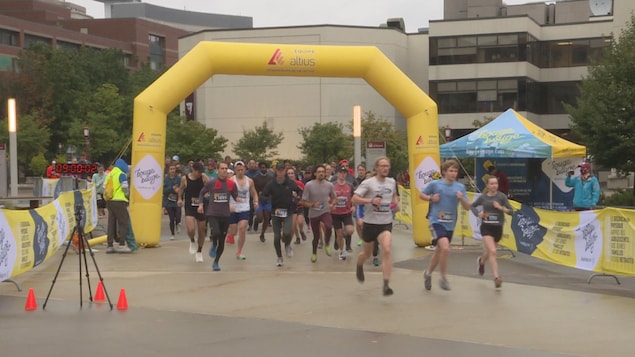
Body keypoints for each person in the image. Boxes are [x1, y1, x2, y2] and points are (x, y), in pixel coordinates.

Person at [419, 159, 471, 291]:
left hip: (450, 223)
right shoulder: (436, 184)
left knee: (439, 250)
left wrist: (462, 198)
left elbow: (467, 207)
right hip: (436, 221)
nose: (453, 173)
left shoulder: (460, 187)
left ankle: (428, 273)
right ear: (444, 172)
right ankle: (443, 278)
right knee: (445, 248)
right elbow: (421, 195)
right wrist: (431, 198)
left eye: (455, 171)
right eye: (451, 171)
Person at [352, 156, 400, 296]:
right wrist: (370, 200)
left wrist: (396, 203)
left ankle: (386, 284)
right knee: (366, 254)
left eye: (387, 166)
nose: (385, 169)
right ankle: (359, 264)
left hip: (385, 223)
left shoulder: (392, 182)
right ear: (376, 168)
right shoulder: (368, 183)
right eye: (383, 166)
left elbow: (395, 196)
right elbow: (354, 198)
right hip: (370, 224)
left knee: (386, 249)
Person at [470, 175, 513, 288]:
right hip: (486, 227)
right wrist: (478, 214)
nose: (494, 186)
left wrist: (501, 208)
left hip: (498, 227)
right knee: (493, 251)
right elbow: (472, 206)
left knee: (489, 252)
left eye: (496, 184)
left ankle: (481, 261)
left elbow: (511, 211)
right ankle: (496, 278)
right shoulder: (483, 197)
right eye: (492, 184)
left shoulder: (502, 197)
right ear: (487, 185)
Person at [197, 162, 239, 271]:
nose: (224, 170)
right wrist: (201, 204)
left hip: (225, 214)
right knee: (216, 232)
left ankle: (216, 262)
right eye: (222, 168)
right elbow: (202, 192)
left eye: (226, 168)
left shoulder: (231, 184)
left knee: (222, 239)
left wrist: (238, 200)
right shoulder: (212, 183)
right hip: (213, 213)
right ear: (218, 170)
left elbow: (235, 196)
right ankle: (213, 243)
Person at [261, 162, 302, 266]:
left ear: (285, 171)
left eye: (282, 170)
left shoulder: (290, 183)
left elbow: (300, 192)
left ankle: (287, 245)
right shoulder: (271, 183)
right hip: (275, 212)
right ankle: (279, 257)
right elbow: (263, 195)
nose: (280, 172)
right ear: (276, 171)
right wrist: (268, 199)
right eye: (278, 170)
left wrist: (296, 199)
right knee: (276, 236)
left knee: (287, 232)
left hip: (288, 211)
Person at [301, 165, 336, 263]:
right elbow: (303, 202)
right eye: (319, 172)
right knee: (316, 236)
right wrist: (312, 204)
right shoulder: (309, 185)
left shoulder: (329, 185)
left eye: (323, 172)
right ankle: (314, 253)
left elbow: (334, 197)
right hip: (314, 213)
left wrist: (332, 204)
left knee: (329, 227)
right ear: (315, 173)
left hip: (325, 211)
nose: (321, 173)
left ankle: (327, 243)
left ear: (325, 173)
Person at [177, 161, 208, 263]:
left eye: (201, 172)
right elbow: (181, 189)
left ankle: (199, 251)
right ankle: (192, 240)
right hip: (190, 206)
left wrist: (207, 194)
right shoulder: (185, 178)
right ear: (193, 170)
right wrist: (180, 198)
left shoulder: (203, 177)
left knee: (201, 230)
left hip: (201, 206)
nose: (199, 174)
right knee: (191, 229)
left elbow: (209, 187)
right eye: (198, 172)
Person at [227, 161, 258, 260]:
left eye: (242, 170)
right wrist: (227, 205)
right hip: (233, 207)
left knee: (242, 228)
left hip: (244, 208)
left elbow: (254, 193)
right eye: (238, 170)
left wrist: (256, 201)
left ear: (245, 170)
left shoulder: (249, 181)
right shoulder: (231, 180)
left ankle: (239, 251)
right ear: (235, 170)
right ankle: (230, 235)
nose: (240, 172)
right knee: (233, 230)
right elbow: (226, 194)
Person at [105, 158, 132, 254]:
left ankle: (110, 245)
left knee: (111, 223)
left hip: (110, 201)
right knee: (123, 222)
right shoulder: (121, 174)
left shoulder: (110, 174)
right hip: (120, 201)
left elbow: (104, 186)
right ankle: (122, 244)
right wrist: (127, 194)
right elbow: (124, 187)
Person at [331, 165, 355, 260]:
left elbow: (353, 197)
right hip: (335, 213)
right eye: (340, 173)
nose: (342, 175)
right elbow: (327, 197)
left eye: (344, 173)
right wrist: (331, 205)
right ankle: (342, 251)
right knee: (339, 233)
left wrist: (353, 206)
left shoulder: (350, 185)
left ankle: (343, 236)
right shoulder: (332, 185)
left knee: (350, 230)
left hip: (346, 212)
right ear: (337, 174)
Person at [252, 161, 273, 242]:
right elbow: (253, 189)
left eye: (264, 167)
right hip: (259, 199)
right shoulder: (255, 178)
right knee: (260, 217)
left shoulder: (270, 177)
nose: (263, 169)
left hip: (268, 200)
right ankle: (256, 221)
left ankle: (262, 234)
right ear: (259, 168)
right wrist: (256, 196)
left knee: (267, 218)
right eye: (261, 167)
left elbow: (272, 188)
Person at [286, 168, 307, 245]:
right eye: (289, 173)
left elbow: (304, 193)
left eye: (292, 173)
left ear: (295, 175)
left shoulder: (299, 183)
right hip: (290, 207)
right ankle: (297, 237)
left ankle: (301, 231)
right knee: (293, 224)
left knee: (300, 222)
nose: (291, 175)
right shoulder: (284, 184)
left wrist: (298, 197)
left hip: (299, 206)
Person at [164, 164, 182, 240]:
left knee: (178, 215)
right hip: (169, 201)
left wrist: (179, 191)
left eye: (174, 169)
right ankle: (172, 234)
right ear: (168, 170)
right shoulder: (166, 179)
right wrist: (172, 188)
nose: (172, 170)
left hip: (177, 200)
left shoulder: (178, 178)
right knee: (171, 218)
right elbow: (164, 190)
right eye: (171, 169)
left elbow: (182, 188)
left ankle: (178, 223)